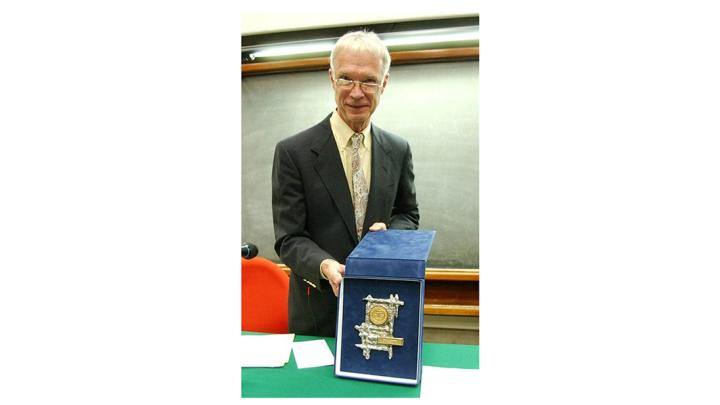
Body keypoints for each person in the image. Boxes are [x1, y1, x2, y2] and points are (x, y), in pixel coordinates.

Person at [271, 30, 419, 337]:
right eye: (346, 78)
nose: (356, 92)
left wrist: (390, 236)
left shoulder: (399, 149)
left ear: (384, 83)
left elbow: (409, 214)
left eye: (368, 81)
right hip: (317, 317)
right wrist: (324, 265)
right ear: (331, 78)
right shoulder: (293, 152)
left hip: (384, 311)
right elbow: (289, 238)